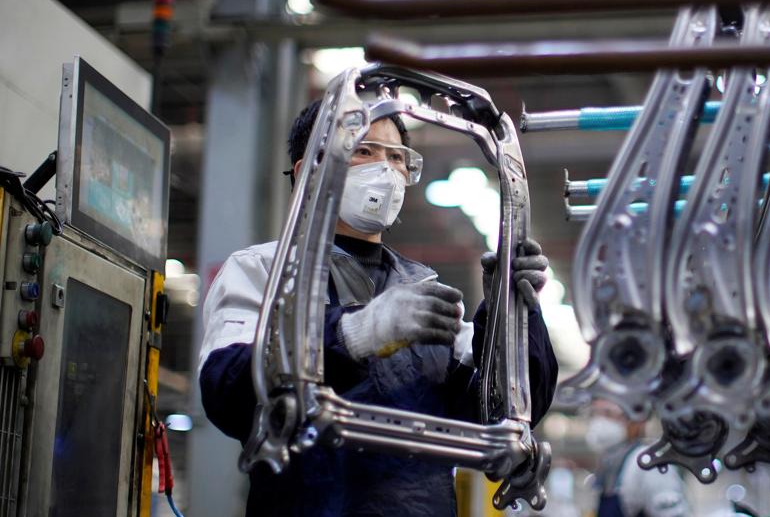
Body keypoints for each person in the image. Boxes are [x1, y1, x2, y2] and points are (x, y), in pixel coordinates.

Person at [198, 99, 559, 516]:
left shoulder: (423, 290)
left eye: (396, 157)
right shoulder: (263, 271)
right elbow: (227, 391)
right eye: (364, 151)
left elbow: (496, 414)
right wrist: (354, 333)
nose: (385, 170)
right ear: (308, 173)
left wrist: (510, 316)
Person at [588, 400, 691, 517]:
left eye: (608, 414)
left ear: (637, 420)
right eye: (594, 413)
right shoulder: (609, 463)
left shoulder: (649, 465)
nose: (600, 422)